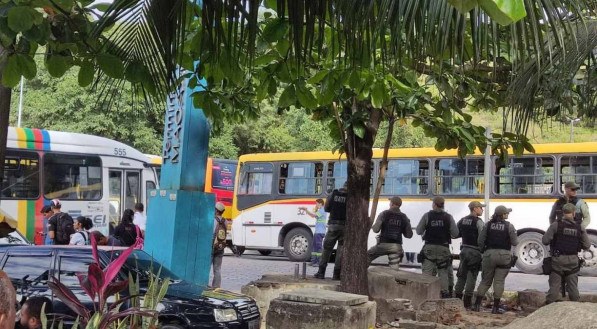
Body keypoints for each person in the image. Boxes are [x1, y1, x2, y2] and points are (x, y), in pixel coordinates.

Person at [472, 205, 518, 314]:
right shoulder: (509, 226)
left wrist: (484, 251)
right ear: (503, 215)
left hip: (489, 255)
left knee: (485, 281)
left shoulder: (488, 225)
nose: (508, 214)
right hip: (504, 256)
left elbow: (480, 241)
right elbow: (515, 242)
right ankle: (495, 308)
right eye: (507, 213)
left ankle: (477, 305)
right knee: (499, 281)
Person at [542, 203, 591, 304]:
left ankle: (548, 308)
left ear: (563, 213)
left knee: (554, 286)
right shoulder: (579, 227)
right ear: (574, 213)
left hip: (558, 260)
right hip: (573, 260)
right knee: (573, 287)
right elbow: (587, 245)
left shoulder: (556, 225)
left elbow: (545, 240)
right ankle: (575, 307)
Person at [416, 196, 459, 298]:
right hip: (443, 248)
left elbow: (418, 231)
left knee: (427, 273)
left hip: (429, 248)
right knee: (443, 272)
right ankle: (445, 294)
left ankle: (425, 295)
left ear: (434, 204)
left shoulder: (427, 215)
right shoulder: (448, 217)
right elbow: (455, 233)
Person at [454, 201, 485, 308]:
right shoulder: (478, 222)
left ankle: (456, 299)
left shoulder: (462, 220)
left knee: (461, 275)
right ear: (475, 208)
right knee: (472, 276)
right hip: (475, 252)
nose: (482, 209)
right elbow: (482, 238)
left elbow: (455, 234)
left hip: (463, 251)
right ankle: (467, 303)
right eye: (481, 207)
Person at [314, 182, 348, 280]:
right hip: (344, 227)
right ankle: (336, 275)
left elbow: (326, 208)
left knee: (327, 249)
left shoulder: (333, 194)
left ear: (342, 186)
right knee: (340, 251)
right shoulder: (350, 197)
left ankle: (321, 273)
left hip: (333, 226)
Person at [367, 196, 413, 269]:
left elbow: (376, 230)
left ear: (392, 204)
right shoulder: (404, 217)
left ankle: (361, 274)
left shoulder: (384, 214)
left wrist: (374, 225)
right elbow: (409, 235)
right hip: (397, 247)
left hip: (383, 245)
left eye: (390, 202)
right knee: (394, 269)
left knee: (367, 256)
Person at [300, 199, 327, 266]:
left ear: (321, 204)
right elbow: (313, 215)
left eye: (317, 203)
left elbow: (313, 215)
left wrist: (306, 210)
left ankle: (318, 262)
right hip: (317, 231)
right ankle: (313, 261)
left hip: (320, 232)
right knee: (314, 247)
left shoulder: (322, 210)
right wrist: (307, 210)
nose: (316, 205)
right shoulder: (319, 210)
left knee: (318, 247)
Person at [212, 202, 227, 288]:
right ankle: (216, 287)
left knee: (206, 268)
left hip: (212, 246)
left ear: (216, 211)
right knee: (217, 269)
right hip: (221, 247)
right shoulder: (225, 221)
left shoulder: (213, 220)